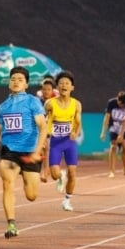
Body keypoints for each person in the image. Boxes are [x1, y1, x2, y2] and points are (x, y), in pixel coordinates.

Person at [0, 66, 47, 239]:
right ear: (8, 83)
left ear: (26, 84)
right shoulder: (2, 107)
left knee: (31, 195)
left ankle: (26, 177)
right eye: (13, 79)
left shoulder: (33, 102)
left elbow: (43, 127)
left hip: (30, 153)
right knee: (7, 185)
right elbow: (0, 131)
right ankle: (11, 224)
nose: (16, 82)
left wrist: (37, 151)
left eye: (20, 79)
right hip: (9, 152)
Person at [43, 70, 82, 212]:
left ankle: (67, 200)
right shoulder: (49, 103)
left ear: (72, 87)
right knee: (54, 174)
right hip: (55, 142)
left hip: (69, 142)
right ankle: (61, 176)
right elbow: (42, 121)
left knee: (73, 172)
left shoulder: (76, 104)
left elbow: (78, 124)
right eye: (61, 83)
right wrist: (43, 137)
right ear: (57, 88)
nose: (64, 85)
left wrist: (75, 132)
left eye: (67, 83)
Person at [100, 91, 125, 178]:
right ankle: (112, 171)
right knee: (113, 146)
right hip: (113, 125)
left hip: (123, 126)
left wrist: (121, 134)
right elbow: (107, 117)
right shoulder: (111, 102)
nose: (119, 104)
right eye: (118, 102)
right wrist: (103, 132)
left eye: (121, 104)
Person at [38, 77, 58, 183]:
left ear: (52, 91)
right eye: (44, 89)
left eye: (48, 89)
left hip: (51, 130)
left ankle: (45, 171)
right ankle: (45, 170)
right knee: (41, 151)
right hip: (38, 130)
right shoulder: (37, 102)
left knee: (46, 149)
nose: (46, 91)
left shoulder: (55, 103)